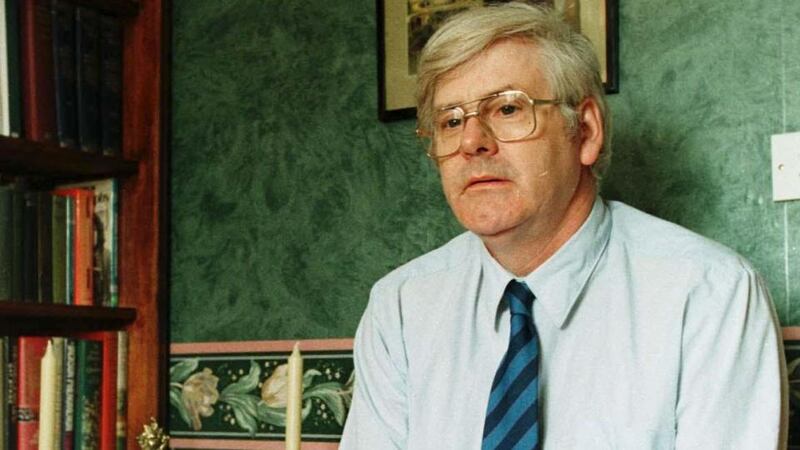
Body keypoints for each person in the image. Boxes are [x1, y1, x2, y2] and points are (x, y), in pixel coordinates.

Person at [340, 2, 786, 449]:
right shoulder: (400, 308)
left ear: (586, 131)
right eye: (451, 121)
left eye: (508, 109)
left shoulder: (710, 294)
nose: (472, 141)